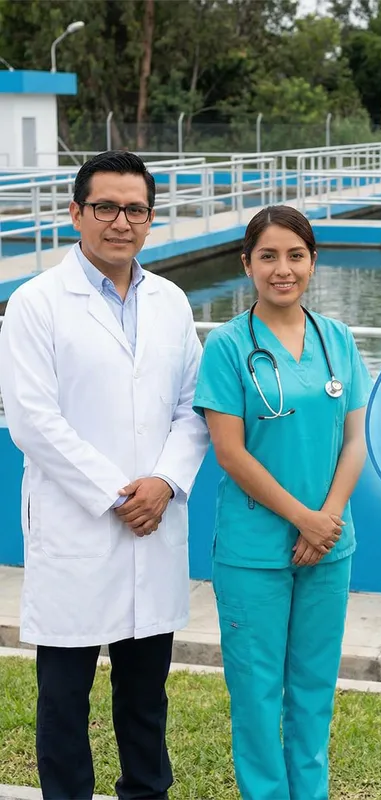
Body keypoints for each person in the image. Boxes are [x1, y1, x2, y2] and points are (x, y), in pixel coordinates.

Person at [0, 150, 210, 800]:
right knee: (64, 697)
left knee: (146, 696)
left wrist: (165, 482)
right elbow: (32, 420)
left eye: (136, 209)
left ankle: (147, 793)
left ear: (150, 218)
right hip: (79, 526)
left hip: (155, 519)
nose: (122, 222)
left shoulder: (171, 302)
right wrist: (118, 493)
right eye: (107, 208)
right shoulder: (35, 304)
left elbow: (193, 407)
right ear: (76, 214)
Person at [192, 204, 372, 799]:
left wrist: (328, 521)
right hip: (254, 551)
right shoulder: (226, 345)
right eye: (268, 256)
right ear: (247, 264)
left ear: (313, 262)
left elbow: (355, 440)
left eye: (295, 255)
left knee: (314, 691)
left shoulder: (338, 339)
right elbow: (231, 453)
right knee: (256, 694)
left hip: (328, 546)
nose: (282, 269)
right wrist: (303, 519)